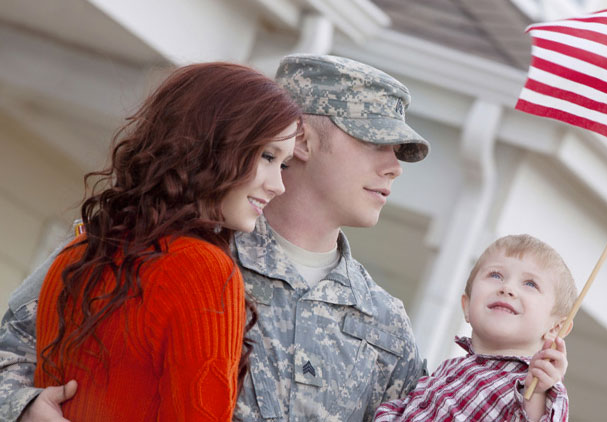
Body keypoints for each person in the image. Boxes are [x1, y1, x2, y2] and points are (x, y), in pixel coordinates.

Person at [0, 54, 431, 422]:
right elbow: (11, 353)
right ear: (301, 138)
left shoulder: (386, 327)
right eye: (376, 142)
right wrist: (24, 405)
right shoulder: (156, 248)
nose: (394, 167)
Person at [22, 62, 301, 420]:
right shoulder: (204, 270)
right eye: (267, 156)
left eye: (284, 164)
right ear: (213, 145)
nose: (278, 185)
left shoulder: (79, 254)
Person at [374, 234, 577, 422]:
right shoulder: (448, 370)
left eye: (530, 284)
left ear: (557, 327)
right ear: (467, 306)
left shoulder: (536, 386)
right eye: (496, 275)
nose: (507, 289)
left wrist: (538, 394)